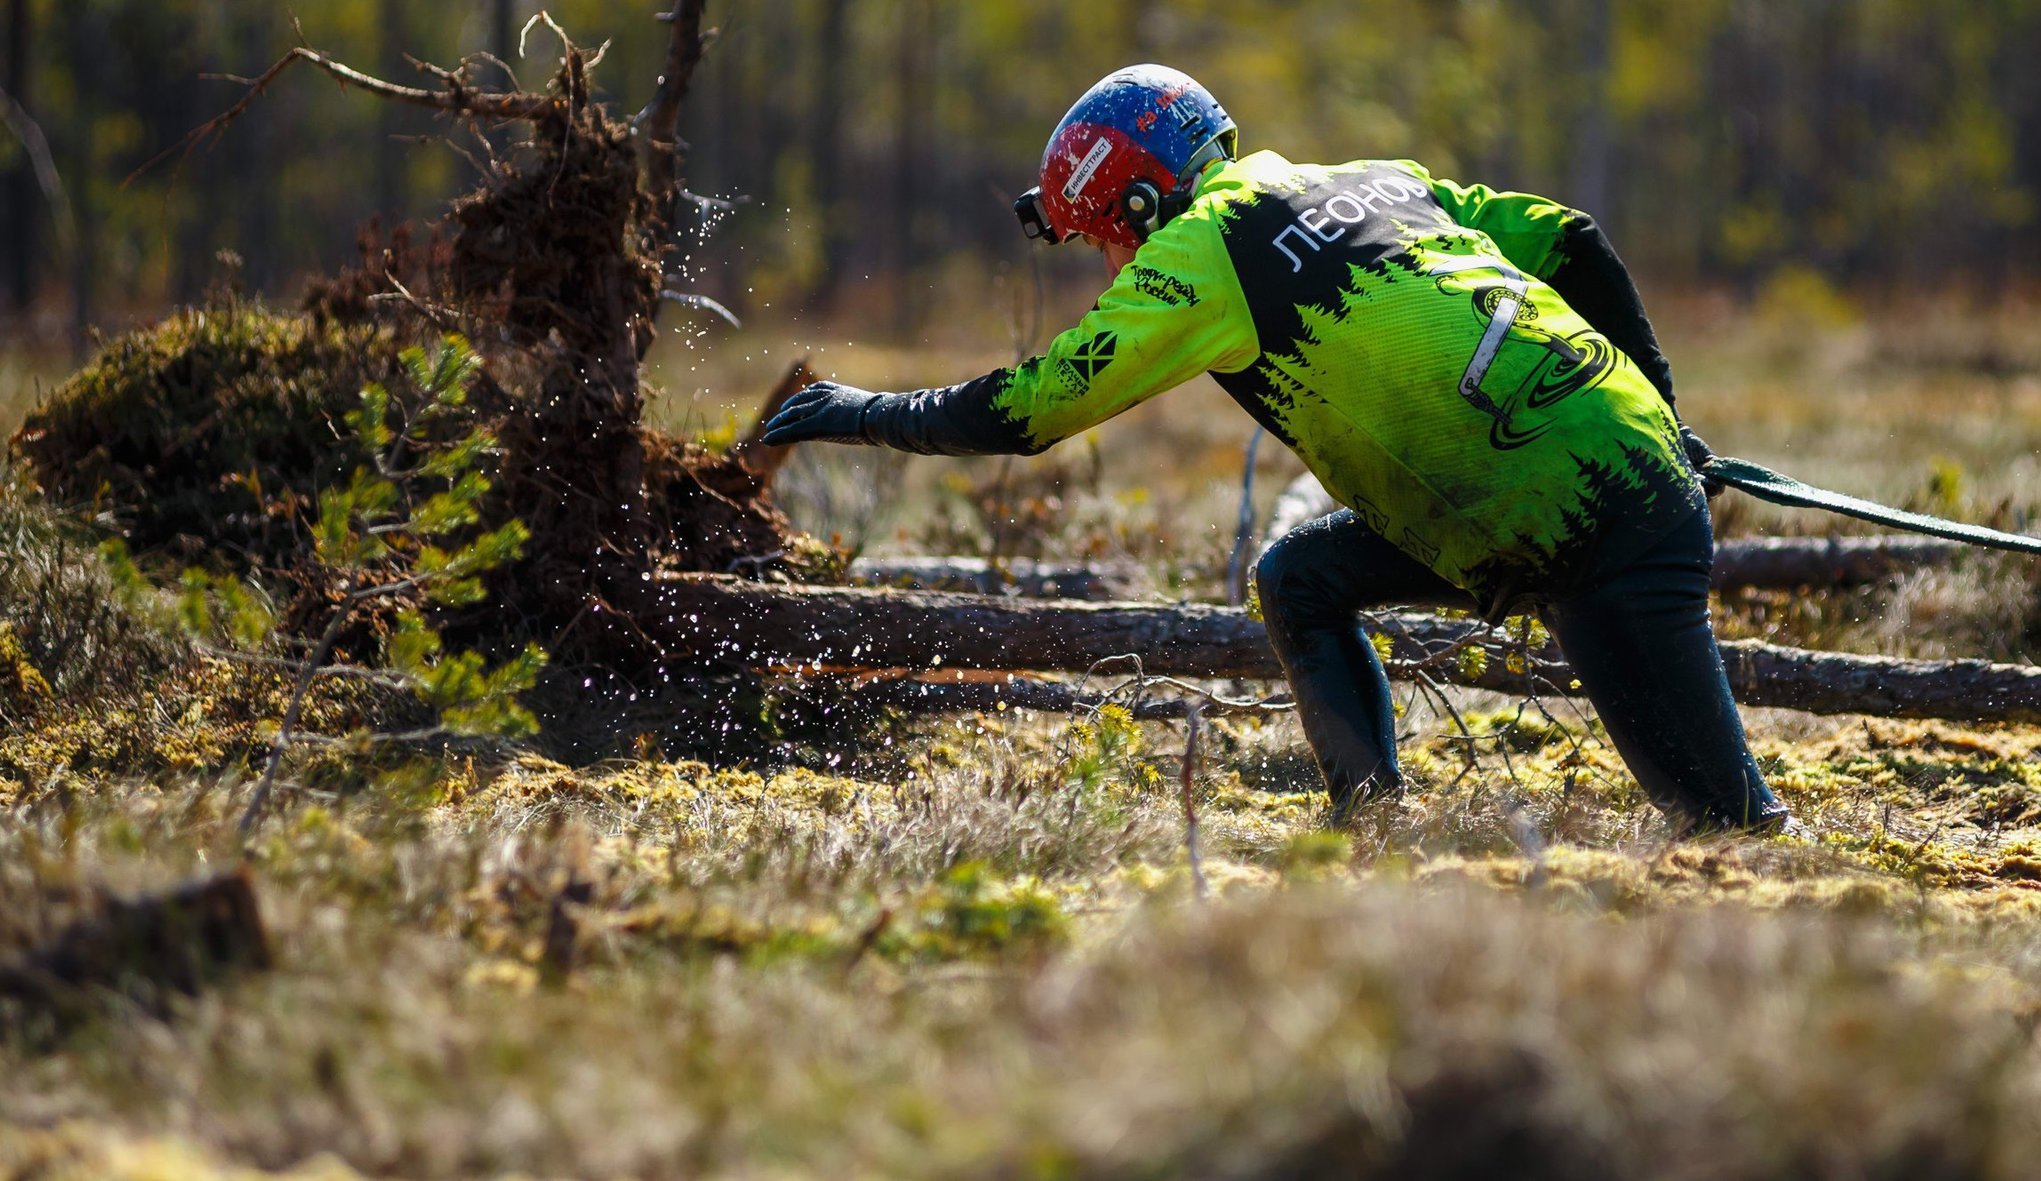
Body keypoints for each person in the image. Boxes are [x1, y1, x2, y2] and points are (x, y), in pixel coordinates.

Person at [760, 65, 1786, 834]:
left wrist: (858, 411)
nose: (1113, 265)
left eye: (1104, 238)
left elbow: (1029, 409)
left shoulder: (1198, 250)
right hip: (1615, 479)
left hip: (1570, 515)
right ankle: (1372, 830)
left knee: (1729, 827)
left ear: (1140, 204)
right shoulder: (1376, 176)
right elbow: (1575, 238)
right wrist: (1665, 422)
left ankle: (1829, 946)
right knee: (1301, 572)